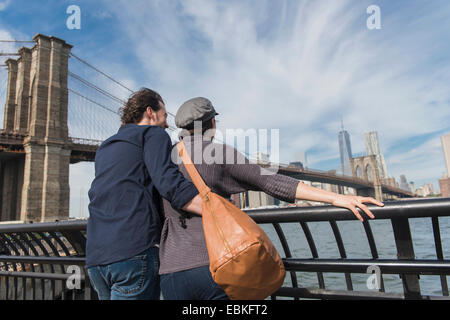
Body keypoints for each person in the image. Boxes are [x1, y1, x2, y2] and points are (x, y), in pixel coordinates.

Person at [158, 97, 384, 300]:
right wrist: (336, 198)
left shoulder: (161, 158)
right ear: (212, 123)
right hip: (216, 267)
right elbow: (271, 182)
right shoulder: (216, 151)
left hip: (170, 273)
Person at [85, 88, 203, 300]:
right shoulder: (153, 134)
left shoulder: (106, 146)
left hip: (96, 260)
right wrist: (215, 206)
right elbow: (169, 183)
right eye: (165, 116)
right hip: (132, 254)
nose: (167, 123)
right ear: (151, 112)